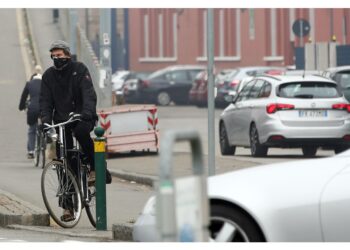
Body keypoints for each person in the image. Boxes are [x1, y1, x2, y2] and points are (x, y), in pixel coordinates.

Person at [40, 40, 98, 221]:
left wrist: (86, 113)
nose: (56, 59)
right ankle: (68, 208)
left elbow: (88, 93)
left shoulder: (79, 69)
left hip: (81, 116)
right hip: (61, 121)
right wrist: (45, 122)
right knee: (63, 160)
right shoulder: (48, 76)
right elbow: (45, 102)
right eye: (53, 56)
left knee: (81, 133)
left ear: (67, 54)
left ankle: (95, 167)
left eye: (60, 55)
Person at [19, 66, 43, 159]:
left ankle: (31, 151)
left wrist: (21, 107)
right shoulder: (45, 83)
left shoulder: (29, 84)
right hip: (43, 109)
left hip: (32, 109)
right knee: (46, 126)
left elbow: (23, 97)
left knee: (32, 130)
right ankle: (48, 137)